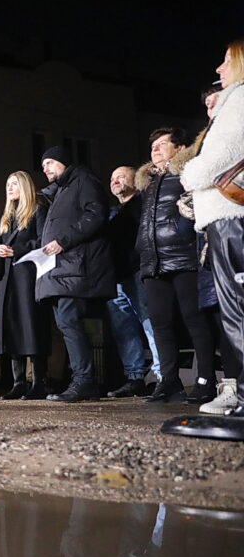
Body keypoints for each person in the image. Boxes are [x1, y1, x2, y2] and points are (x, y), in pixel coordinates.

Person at [180, 39, 244, 419]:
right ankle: (235, 389)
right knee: (232, 307)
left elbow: (223, 155)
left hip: (232, 218)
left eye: (225, 62)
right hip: (221, 218)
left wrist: (190, 175)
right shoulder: (231, 102)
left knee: (237, 307)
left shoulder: (239, 99)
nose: (218, 70)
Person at [136, 128, 217, 404]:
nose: (155, 150)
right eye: (153, 146)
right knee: (160, 322)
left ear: (179, 148)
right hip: (153, 259)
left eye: (162, 144)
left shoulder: (187, 172)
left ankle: (206, 381)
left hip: (184, 256)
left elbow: (194, 206)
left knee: (194, 318)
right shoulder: (148, 182)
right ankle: (169, 381)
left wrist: (183, 231)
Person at [36, 146, 115, 402]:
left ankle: (84, 381)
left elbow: (96, 214)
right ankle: (80, 379)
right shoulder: (61, 191)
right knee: (65, 323)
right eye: (43, 165)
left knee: (69, 321)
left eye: (49, 163)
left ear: (63, 161)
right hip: (61, 269)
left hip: (75, 266)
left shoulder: (83, 180)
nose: (45, 169)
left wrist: (64, 240)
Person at [0, 171, 51, 400]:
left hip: (29, 275)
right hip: (8, 278)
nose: (10, 188)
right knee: (11, 326)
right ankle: (18, 382)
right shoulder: (7, 217)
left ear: (25, 186)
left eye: (14, 183)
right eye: (8, 184)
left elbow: (44, 241)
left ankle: (38, 382)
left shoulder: (37, 210)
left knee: (31, 325)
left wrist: (19, 249)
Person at [104, 166, 161, 397]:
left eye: (120, 176)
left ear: (134, 179)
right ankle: (134, 376)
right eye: (112, 178)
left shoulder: (143, 203)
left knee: (149, 323)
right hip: (115, 277)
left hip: (137, 271)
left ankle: (162, 376)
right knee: (123, 329)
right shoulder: (112, 213)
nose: (115, 180)